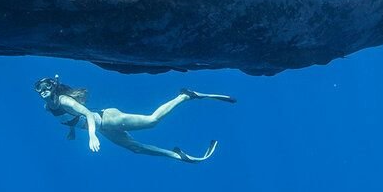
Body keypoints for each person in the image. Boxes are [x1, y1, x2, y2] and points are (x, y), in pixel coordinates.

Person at [33, 75, 235, 163]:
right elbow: (73, 119)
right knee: (136, 148)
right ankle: (177, 156)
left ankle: (184, 96)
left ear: (53, 87)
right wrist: (72, 130)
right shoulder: (48, 107)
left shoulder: (65, 101)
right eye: (39, 89)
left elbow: (85, 113)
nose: (42, 91)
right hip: (105, 129)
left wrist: (91, 137)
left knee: (152, 121)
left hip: (107, 118)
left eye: (45, 87)